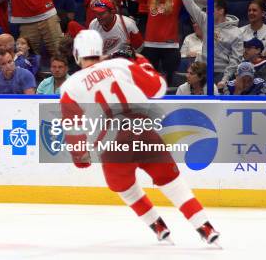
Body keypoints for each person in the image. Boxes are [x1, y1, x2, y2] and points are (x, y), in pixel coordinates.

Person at [59, 29, 220, 244]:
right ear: (100, 50)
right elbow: (158, 88)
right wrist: (142, 62)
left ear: (77, 54)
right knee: (171, 182)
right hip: (144, 131)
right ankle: (205, 227)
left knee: (125, 188)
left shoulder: (70, 86)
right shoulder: (121, 65)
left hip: (111, 144)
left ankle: (157, 225)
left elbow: (72, 126)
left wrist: (80, 156)